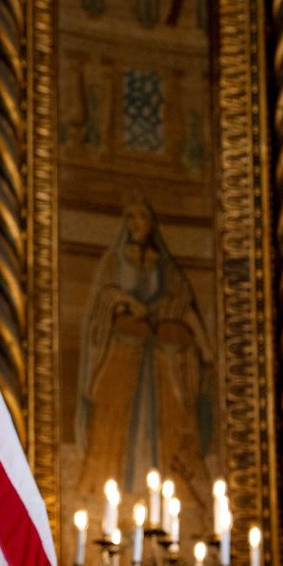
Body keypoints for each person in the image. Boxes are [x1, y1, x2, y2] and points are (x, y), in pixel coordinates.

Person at [75, 200, 213, 507]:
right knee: (115, 414)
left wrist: (202, 345)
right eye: (132, 217)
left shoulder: (164, 265)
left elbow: (182, 302)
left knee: (162, 414)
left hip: (157, 359)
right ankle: (109, 483)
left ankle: (167, 481)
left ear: (151, 224)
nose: (137, 223)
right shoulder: (115, 260)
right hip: (123, 353)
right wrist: (124, 300)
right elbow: (103, 298)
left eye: (143, 217)